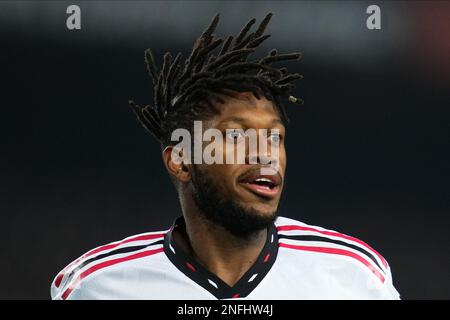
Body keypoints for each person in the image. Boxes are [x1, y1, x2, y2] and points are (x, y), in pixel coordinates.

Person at [51, 13, 400, 300]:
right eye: (236, 135)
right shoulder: (96, 287)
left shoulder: (353, 278)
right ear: (182, 160)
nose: (264, 153)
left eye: (274, 136)